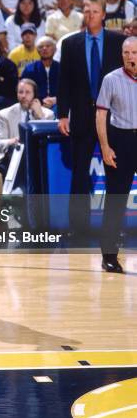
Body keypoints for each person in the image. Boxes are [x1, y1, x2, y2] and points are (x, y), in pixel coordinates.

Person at [57, 0, 126, 236]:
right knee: (79, 173)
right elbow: (63, 81)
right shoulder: (70, 43)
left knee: (115, 174)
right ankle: (77, 228)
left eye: (94, 11)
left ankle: (114, 227)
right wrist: (62, 115)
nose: (89, 15)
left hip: (113, 118)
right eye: (86, 11)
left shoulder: (120, 42)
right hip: (82, 117)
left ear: (103, 14)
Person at [96, 36, 136, 273]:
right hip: (121, 141)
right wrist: (105, 147)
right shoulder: (111, 79)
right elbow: (101, 115)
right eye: (126, 53)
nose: (130, 57)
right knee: (116, 200)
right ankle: (109, 255)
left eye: (135, 53)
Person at [0, 78, 54, 175]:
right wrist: (12, 141)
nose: (23, 96)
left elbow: (49, 143)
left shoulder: (48, 114)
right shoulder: (5, 114)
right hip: (11, 161)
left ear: (35, 95)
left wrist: (40, 116)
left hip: (38, 161)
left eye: (28, 92)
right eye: (20, 92)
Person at [22, 36, 60, 110]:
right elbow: (24, 92)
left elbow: (69, 91)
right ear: (37, 50)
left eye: (48, 46)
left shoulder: (62, 68)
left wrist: (56, 100)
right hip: (35, 106)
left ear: (55, 49)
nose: (44, 49)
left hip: (59, 105)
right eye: (41, 47)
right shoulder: (29, 69)